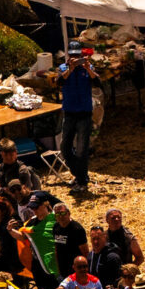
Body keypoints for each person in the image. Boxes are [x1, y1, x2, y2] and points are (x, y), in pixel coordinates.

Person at [56, 51, 98, 196]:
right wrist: (71, 69)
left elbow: (97, 82)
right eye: (72, 56)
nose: (75, 59)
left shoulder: (88, 68)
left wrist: (87, 68)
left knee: (81, 149)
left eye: (77, 57)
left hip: (84, 113)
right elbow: (59, 82)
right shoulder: (63, 68)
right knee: (65, 147)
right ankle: (79, 174)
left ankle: (82, 180)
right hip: (69, 113)